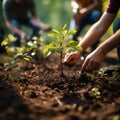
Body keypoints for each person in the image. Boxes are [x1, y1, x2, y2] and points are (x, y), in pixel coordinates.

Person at [64, 0, 120, 71]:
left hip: (92, 13)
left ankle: (94, 45)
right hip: (83, 15)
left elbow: (96, 4)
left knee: (118, 24)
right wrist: (78, 50)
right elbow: (101, 25)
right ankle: (73, 38)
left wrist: (101, 51)